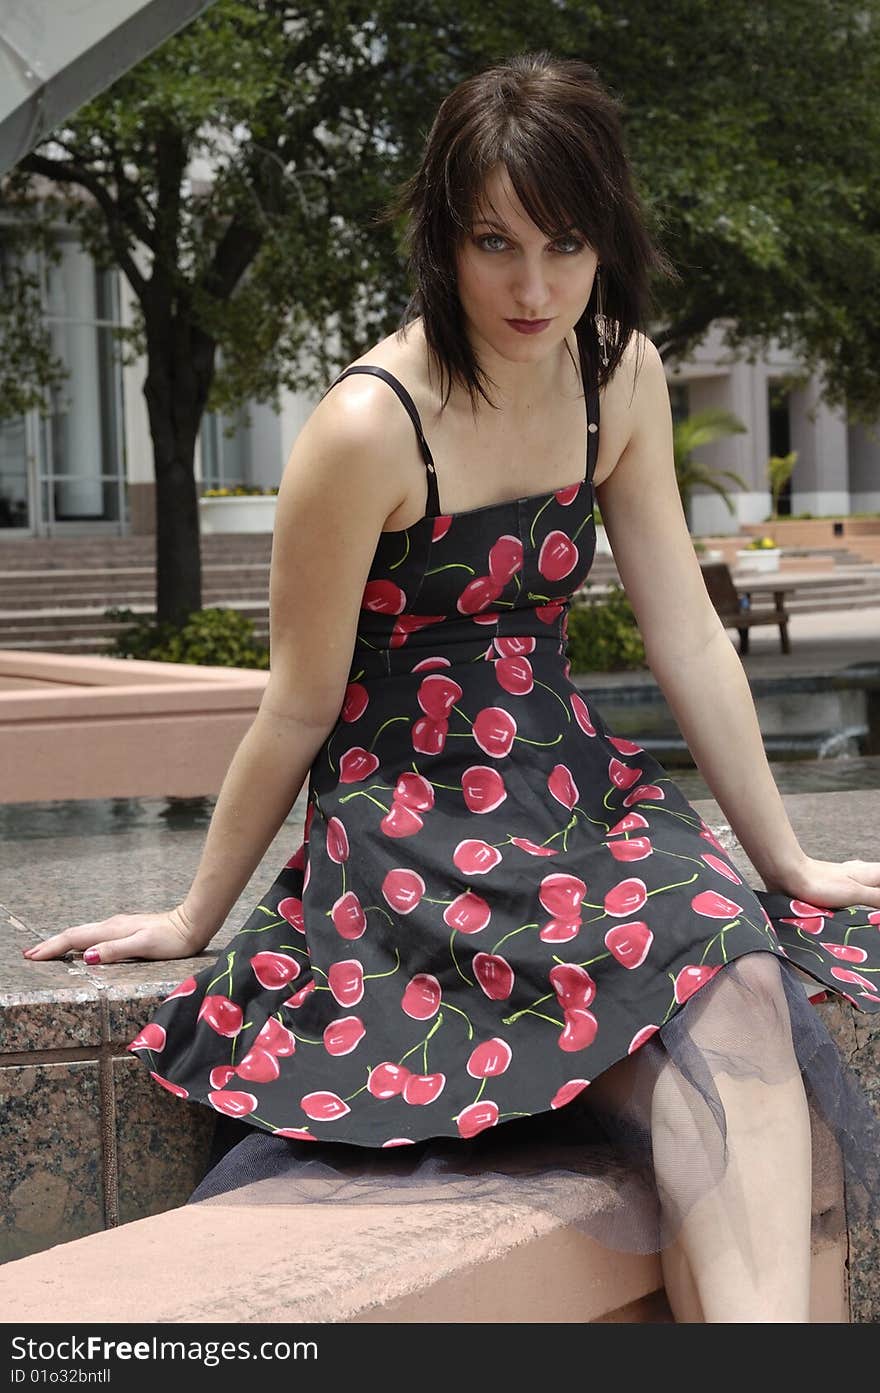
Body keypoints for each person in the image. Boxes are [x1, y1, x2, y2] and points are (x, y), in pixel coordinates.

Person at [23, 51, 880, 1324]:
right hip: (417, 826)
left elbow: (687, 639)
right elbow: (298, 705)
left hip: (581, 796)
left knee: (740, 976)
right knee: (690, 1033)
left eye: (567, 243)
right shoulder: (368, 426)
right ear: (441, 236)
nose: (534, 288)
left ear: (607, 241)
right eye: (495, 243)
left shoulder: (618, 374)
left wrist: (790, 860)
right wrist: (199, 916)